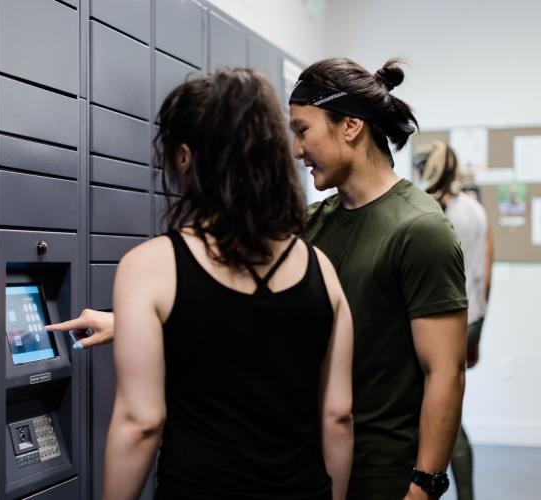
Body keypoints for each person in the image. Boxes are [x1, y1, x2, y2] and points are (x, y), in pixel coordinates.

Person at [50, 58, 468, 500]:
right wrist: (137, 324)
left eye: (303, 130)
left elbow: (445, 371)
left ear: (349, 127)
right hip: (317, 464)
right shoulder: (310, 227)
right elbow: (256, 314)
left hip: (383, 475)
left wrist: (424, 485)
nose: (295, 149)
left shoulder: (420, 229)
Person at [95, 68, 354, 500]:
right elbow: (339, 415)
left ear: (184, 157)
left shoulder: (150, 267)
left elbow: (140, 423)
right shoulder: (321, 270)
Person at [413, 141, 494, 500]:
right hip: (472, 317)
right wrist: (477, 334)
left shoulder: (425, 213)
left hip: (440, 322)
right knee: (451, 408)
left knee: (447, 416)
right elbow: (485, 274)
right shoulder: (475, 210)